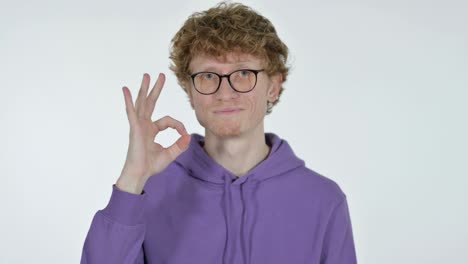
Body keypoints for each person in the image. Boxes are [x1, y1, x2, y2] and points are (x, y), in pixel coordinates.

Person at [80, 2, 357, 264]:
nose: (225, 93)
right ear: (190, 90)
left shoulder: (323, 201)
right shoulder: (147, 191)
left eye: (243, 73)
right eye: (208, 76)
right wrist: (131, 180)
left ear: (273, 87)